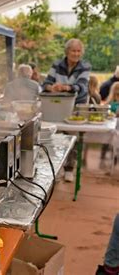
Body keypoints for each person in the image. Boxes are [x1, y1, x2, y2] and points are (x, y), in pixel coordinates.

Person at [43, 38, 91, 182]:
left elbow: (82, 86)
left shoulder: (85, 66)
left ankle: (69, 168)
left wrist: (66, 87)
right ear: (67, 51)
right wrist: (51, 87)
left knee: (72, 137)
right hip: (57, 105)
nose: (76, 54)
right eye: (73, 50)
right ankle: (55, 168)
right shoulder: (57, 64)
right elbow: (46, 83)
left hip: (76, 105)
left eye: (78, 51)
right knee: (54, 136)